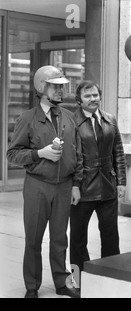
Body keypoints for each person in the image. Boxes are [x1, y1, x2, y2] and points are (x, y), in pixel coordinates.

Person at [7, 65, 83, 298]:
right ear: (41, 88)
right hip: (37, 187)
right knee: (34, 238)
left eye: (62, 86)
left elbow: (78, 154)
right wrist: (40, 153)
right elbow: (12, 154)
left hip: (64, 187)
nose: (61, 90)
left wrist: (77, 184)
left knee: (60, 239)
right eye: (55, 86)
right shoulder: (27, 119)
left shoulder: (69, 118)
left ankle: (62, 283)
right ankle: (32, 286)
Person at [70, 80, 127, 274]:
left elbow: (118, 151)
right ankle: (78, 278)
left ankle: (111, 275)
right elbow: (72, 156)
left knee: (111, 235)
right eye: (88, 96)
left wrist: (121, 181)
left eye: (95, 95)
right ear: (79, 100)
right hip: (83, 188)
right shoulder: (72, 122)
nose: (93, 99)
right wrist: (74, 186)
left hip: (107, 186)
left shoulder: (110, 119)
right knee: (78, 238)